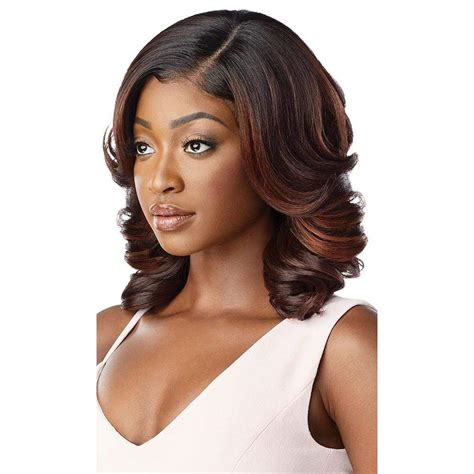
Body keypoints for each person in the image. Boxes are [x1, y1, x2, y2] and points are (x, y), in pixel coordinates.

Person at [96, 8, 377, 473]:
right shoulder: (104, 339)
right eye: (144, 146)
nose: (159, 180)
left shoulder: (341, 349)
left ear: (275, 149)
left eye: (196, 144)